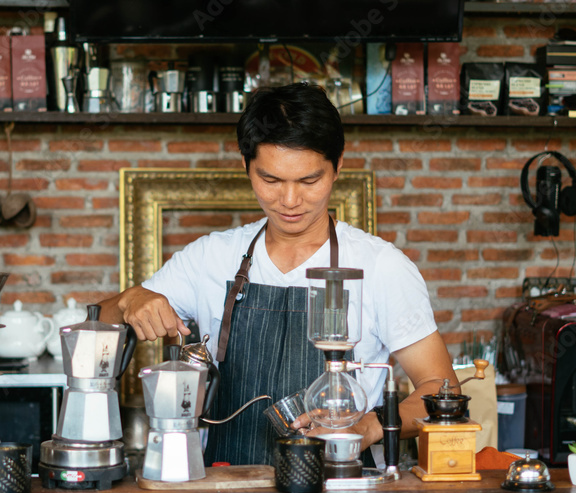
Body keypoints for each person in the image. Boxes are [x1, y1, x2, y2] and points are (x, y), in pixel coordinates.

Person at [98, 82, 457, 466]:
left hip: (340, 492)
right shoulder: (209, 257)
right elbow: (98, 324)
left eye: (308, 181)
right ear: (246, 165)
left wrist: (370, 426)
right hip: (227, 492)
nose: (289, 201)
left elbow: (440, 389)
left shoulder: (382, 266)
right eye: (270, 180)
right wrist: (129, 300)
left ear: (338, 167)